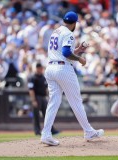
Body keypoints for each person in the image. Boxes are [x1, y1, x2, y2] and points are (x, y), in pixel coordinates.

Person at [41, 11, 104, 146]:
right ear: (74, 23)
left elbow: (64, 53)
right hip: (63, 69)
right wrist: (80, 58)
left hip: (51, 68)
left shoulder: (56, 31)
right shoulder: (69, 33)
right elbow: (65, 53)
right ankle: (89, 131)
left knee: (54, 102)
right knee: (76, 101)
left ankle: (46, 134)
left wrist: (78, 50)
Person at [28, 63, 59, 136]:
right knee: (36, 115)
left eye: (42, 68)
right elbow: (31, 90)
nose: (41, 69)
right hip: (36, 97)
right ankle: (37, 131)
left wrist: (48, 97)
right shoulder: (32, 77)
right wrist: (33, 100)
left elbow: (46, 89)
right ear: (37, 68)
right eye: (40, 68)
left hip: (43, 97)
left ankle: (51, 129)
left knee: (48, 113)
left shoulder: (43, 77)